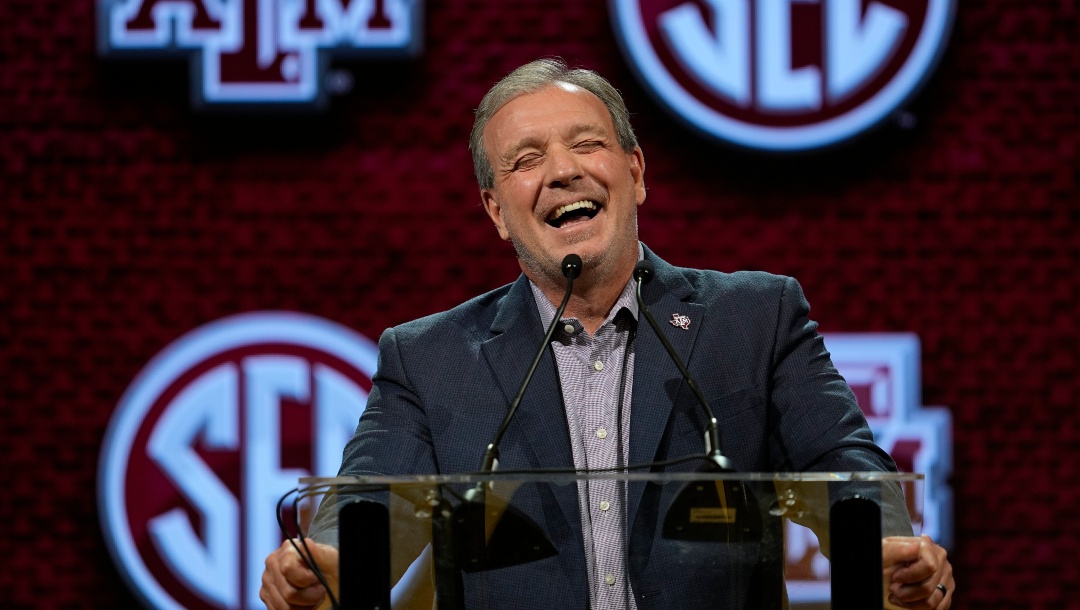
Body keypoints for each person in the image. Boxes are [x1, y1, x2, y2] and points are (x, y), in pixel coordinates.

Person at [260, 58, 953, 610]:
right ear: (496, 211)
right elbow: (369, 502)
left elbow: (843, 461)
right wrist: (329, 565)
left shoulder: (755, 318)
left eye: (587, 144)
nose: (563, 171)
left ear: (636, 172)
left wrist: (885, 546)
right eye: (526, 159)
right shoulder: (429, 358)